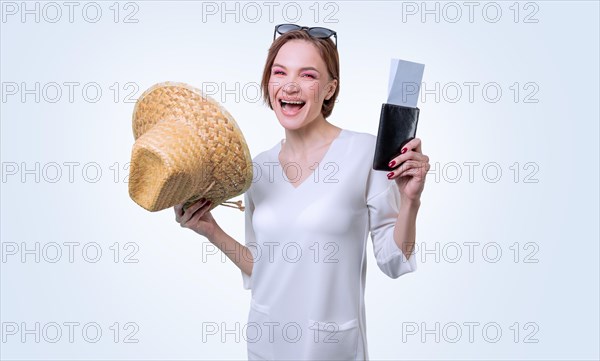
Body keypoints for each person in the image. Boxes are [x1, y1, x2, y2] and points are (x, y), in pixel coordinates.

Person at [174, 24, 430, 360]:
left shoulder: (366, 154)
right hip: (267, 344)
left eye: (308, 75)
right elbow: (262, 266)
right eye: (279, 72)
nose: (290, 85)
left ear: (329, 89)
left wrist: (410, 201)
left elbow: (395, 261)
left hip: (331, 348)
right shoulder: (257, 168)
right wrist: (209, 229)